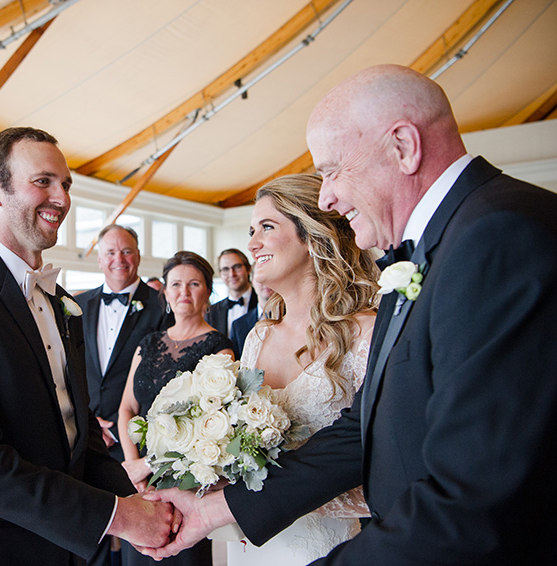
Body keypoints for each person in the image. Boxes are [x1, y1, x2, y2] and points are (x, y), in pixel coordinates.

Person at [141, 64, 557, 564]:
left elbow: (476, 492)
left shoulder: (498, 236)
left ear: (403, 146)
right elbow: (364, 430)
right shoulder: (431, 252)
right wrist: (218, 508)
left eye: (333, 170)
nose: (328, 198)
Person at [0, 126, 176, 565]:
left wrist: (138, 501)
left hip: (62, 548)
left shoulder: (60, 301)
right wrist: (119, 516)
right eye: (43, 181)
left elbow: (76, 427)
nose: (61, 198)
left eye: (65, 184)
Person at [224, 174, 377, 565]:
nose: (252, 243)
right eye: (251, 231)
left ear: (313, 236)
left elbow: (385, 468)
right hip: (252, 542)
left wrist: (268, 501)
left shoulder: (366, 333)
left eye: (267, 227)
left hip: (331, 548)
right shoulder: (258, 336)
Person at [117, 250, 233, 566]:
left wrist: (150, 465)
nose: (184, 292)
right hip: (138, 483)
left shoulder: (219, 349)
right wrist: (134, 466)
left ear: (207, 293)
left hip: (185, 481)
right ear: (166, 293)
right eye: (176, 284)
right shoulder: (148, 343)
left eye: (194, 284)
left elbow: (211, 428)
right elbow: (127, 407)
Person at [79, 224, 171, 565]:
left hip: (139, 439)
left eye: (127, 251)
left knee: (144, 539)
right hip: (88, 435)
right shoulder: (76, 305)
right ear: (99, 258)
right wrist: (89, 421)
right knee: (90, 535)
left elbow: (164, 378)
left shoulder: (162, 306)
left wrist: (127, 426)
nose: (119, 259)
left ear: (138, 256)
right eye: (111, 252)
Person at [205, 249, 256, 339]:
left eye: (237, 267)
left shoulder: (263, 303)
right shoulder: (212, 312)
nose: (232, 274)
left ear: (248, 269)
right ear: (220, 274)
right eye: (225, 269)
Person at [228, 264, 272, 359]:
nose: (265, 282)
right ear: (252, 281)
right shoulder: (238, 325)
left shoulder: (293, 317)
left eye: (271, 276)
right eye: (260, 277)